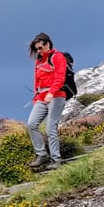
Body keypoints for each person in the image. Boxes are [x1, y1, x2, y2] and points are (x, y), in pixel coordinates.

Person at [27, 32, 70, 170]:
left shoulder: (58, 57)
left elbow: (60, 77)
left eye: (40, 47)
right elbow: (37, 80)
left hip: (57, 96)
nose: (38, 51)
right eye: (37, 49)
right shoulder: (38, 61)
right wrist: (36, 97)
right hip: (41, 97)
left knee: (51, 128)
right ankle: (42, 155)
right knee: (32, 124)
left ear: (48, 44)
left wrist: (51, 93)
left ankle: (56, 159)